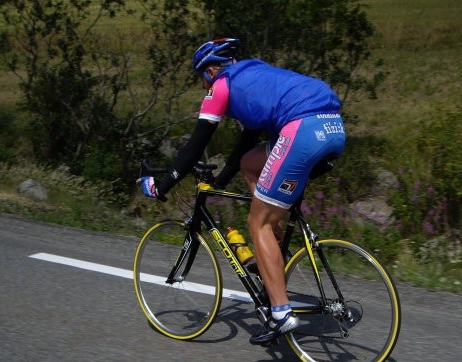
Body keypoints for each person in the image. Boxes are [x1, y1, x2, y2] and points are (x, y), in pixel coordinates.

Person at [138, 38, 345, 344]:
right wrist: (220, 181)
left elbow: (195, 146)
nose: (204, 84)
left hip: (301, 130)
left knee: (255, 222)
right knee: (252, 165)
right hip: (333, 129)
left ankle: (280, 314)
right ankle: (272, 248)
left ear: (209, 70)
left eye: (201, 78)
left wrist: (162, 184)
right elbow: (244, 149)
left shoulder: (220, 86)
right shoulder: (254, 76)